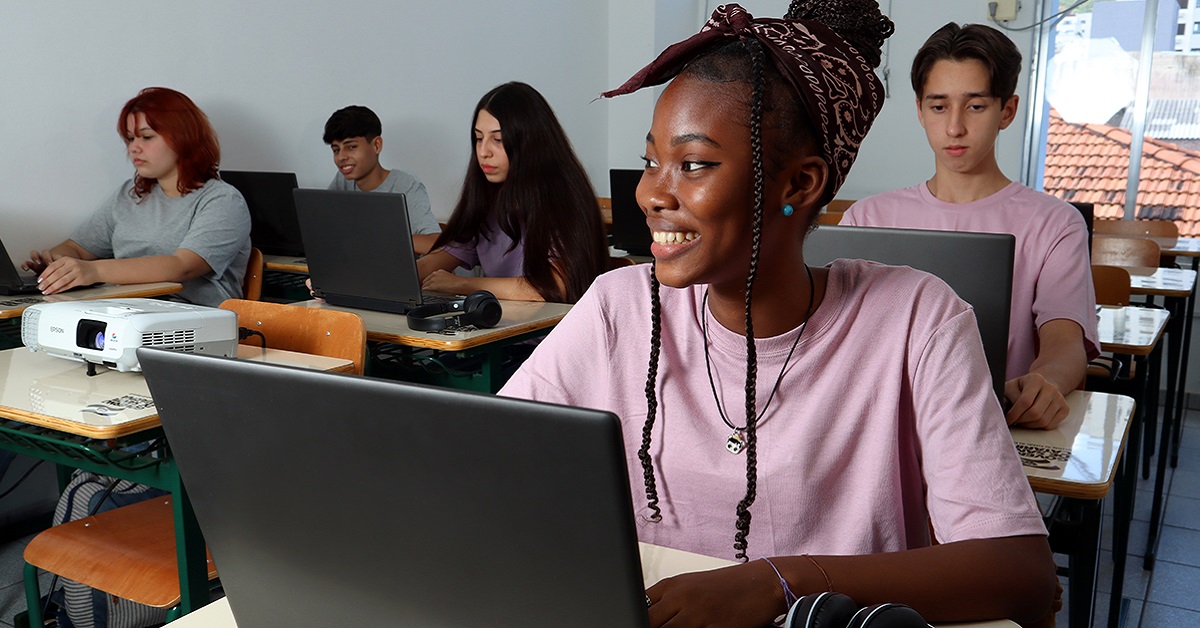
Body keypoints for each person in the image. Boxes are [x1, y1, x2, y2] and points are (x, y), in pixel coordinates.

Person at [500, 3, 1055, 627]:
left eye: (694, 164)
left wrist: (779, 583)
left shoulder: (917, 320)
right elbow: (488, 467)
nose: (652, 193)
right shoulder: (619, 307)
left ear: (799, 185)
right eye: (652, 160)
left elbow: (1022, 574)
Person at [843, 22, 1099, 430]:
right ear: (920, 110)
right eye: (939, 106)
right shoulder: (866, 218)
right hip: (884, 421)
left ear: (1007, 111)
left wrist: (1044, 382)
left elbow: (1065, 340)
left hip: (994, 422)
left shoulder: (1054, 223)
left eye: (975, 106)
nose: (954, 127)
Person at [23, 87, 250, 307]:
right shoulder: (129, 194)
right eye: (131, 139)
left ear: (184, 139)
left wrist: (93, 270)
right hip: (126, 312)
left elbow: (182, 266)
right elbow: (78, 248)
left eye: (147, 137)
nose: (134, 148)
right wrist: (57, 264)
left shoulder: (223, 201)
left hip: (193, 319)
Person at [415, 82, 608, 303]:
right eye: (479, 138)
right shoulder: (487, 200)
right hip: (501, 332)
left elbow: (554, 287)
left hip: (549, 334)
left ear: (529, 142)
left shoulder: (564, 200)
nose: (483, 152)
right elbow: (435, 262)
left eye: (497, 140)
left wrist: (463, 284)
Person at [324, 105, 441, 255]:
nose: (341, 157)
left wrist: (377, 238)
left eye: (351, 147)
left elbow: (434, 243)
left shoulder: (406, 185)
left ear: (376, 145)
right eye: (336, 150)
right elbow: (325, 229)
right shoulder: (342, 182)